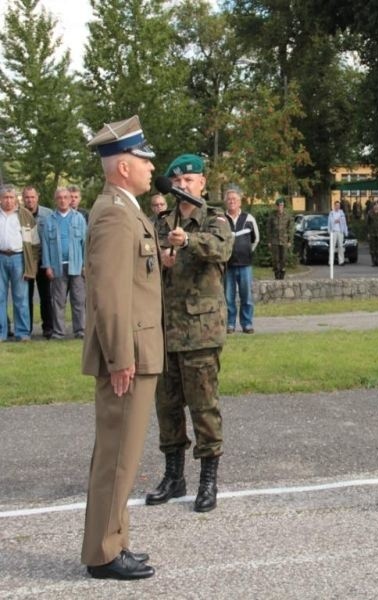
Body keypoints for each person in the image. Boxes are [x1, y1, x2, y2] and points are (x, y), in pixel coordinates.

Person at [81, 115, 162, 580]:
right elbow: (109, 295)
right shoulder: (114, 211)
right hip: (127, 356)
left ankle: (115, 541)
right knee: (116, 456)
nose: (151, 166)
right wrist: (120, 358)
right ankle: (104, 554)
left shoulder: (125, 208)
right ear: (122, 167)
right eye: (143, 158)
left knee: (123, 456)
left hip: (135, 351)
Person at [146, 153, 233, 513]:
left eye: (189, 180)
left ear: (202, 183)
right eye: (177, 182)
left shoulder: (214, 220)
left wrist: (187, 243)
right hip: (165, 331)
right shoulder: (160, 221)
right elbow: (144, 264)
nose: (182, 186)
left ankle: (207, 480)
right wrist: (159, 261)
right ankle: (174, 476)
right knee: (167, 407)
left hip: (200, 331)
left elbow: (221, 249)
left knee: (203, 408)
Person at [40, 187, 87, 339]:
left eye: (66, 197)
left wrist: (85, 265)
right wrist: (47, 266)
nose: (63, 200)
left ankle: (80, 330)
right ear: (56, 200)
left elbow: (86, 244)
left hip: (77, 266)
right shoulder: (50, 220)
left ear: (70, 199)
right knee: (58, 302)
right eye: (59, 197)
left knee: (79, 301)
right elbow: (45, 245)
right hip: (57, 266)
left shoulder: (78, 218)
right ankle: (59, 332)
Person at [0, 185, 38, 341]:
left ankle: (22, 333)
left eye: (11, 197)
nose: (8, 201)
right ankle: (1, 333)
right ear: (0, 199)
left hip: (19, 258)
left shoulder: (25, 215)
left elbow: (35, 244)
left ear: (15, 198)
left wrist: (31, 266)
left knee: (21, 297)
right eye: (5, 197)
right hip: (0, 257)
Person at [224, 184, 259, 333]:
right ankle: (230, 324)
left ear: (240, 202)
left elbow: (255, 239)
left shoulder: (248, 218)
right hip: (227, 265)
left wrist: (246, 251)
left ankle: (247, 323)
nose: (232, 201)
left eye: (234, 199)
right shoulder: (221, 219)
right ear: (226, 202)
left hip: (245, 264)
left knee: (247, 296)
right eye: (229, 199)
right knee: (228, 296)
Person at [22, 186, 54, 338]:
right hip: (26, 261)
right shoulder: (18, 215)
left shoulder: (48, 214)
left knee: (46, 296)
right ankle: (26, 328)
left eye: (32, 197)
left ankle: (48, 327)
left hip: (44, 260)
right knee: (25, 296)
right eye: (27, 197)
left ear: (37, 197)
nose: (30, 200)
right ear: (23, 198)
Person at [267, 196, 293, 280]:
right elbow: (269, 229)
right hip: (274, 241)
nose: (280, 207)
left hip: (284, 240)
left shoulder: (287, 216)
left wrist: (289, 241)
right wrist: (269, 241)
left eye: (282, 205)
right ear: (276, 206)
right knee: (275, 259)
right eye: (279, 205)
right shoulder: (272, 216)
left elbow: (290, 229)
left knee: (284, 258)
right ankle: (276, 274)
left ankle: (282, 275)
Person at [327, 200, 348, 266]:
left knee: (341, 247)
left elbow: (344, 223)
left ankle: (341, 261)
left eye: (338, 205)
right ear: (334, 206)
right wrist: (329, 230)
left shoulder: (342, 213)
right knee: (332, 247)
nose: (337, 207)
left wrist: (345, 231)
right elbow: (329, 223)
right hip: (333, 232)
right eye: (336, 205)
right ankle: (330, 262)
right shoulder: (331, 213)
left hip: (340, 232)